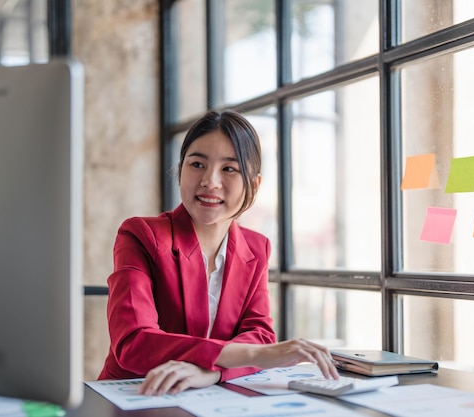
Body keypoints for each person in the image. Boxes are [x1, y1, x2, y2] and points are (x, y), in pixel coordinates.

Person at [98, 109, 339, 396]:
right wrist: (252, 356)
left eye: (229, 169)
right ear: (181, 169)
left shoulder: (256, 248)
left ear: (255, 184)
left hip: (213, 398)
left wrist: (211, 372)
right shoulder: (141, 235)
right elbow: (134, 342)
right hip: (135, 395)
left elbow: (259, 334)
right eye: (197, 164)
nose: (210, 181)